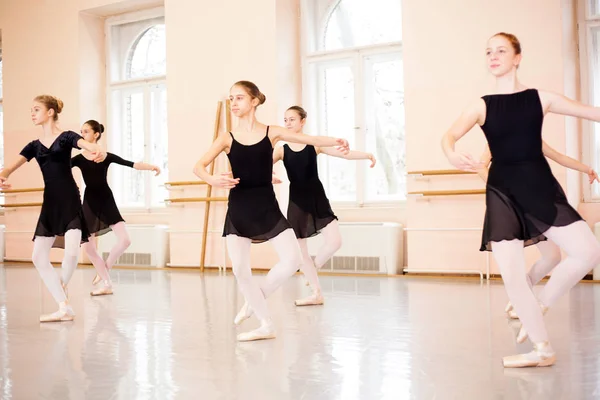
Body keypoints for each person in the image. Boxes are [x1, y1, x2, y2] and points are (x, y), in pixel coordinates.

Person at [441, 32, 600, 368]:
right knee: (513, 275)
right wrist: (451, 153)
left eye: (501, 50)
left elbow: (591, 112)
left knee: (588, 251)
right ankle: (542, 349)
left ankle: (541, 303)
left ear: (517, 57)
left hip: (540, 187)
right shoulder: (482, 104)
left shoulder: (540, 98)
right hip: (502, 193)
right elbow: (449, 135)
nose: (493, 56)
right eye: (488, 52)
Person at [193, 81, 349, 342]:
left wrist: (336, 140)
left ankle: (256, 300)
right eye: (231, 99)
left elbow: (307, 139)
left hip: (268, 207)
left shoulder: (271, 133)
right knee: (240, 270)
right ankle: (266, 323)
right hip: (239, 209)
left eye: (239, 98)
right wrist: (211, 180)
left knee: (293, 259)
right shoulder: (226, 137)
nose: (233, 103)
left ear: (254, 101)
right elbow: (199, 166)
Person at [0, 95, 106, 322]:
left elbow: (85, 144)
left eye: (36, 109)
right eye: (31, 109)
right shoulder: (33, 146)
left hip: (70, 199)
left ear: (50, 112)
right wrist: (2, 176)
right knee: (38, 256)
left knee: (71, 251)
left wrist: (95, 149)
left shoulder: (66, 137)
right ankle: (64, 306)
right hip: (50, 204)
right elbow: (8, 168)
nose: (32, 113)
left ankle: (62, 291)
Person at [476, 145, 598, 319]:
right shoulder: (495, 140)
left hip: (539, 200)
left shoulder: (532, 135)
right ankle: (527, 303)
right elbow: (480, 167)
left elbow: (558, 156)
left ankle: (522, 296)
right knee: (547, 257)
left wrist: (587, 169)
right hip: (518, 205)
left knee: (553, 256)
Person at [272, 105, 376, 306]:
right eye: (285, 120)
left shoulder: (314, 145)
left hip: (317, 198)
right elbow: (260, 165)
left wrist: (366, 155)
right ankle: (317, 293)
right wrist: (269, 174)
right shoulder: (281, 149)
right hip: (297, 202)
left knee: (335, 241)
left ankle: (314, 266)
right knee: (301, 250)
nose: (288, 123)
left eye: (292, 119)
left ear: (303, 121)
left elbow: (343, 153)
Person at [71, 120, 161, 296]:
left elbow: (131, 164)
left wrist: (151, 167)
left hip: (106, 200)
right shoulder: (79, 159)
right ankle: (106, 283)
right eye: (81, 131)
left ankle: (104, 268)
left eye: (86, 131)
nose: (83, 135)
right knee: (89, 248)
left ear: (96, 134)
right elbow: (59, 170)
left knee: (125, 240)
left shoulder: (105, 156)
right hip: (89, 202)